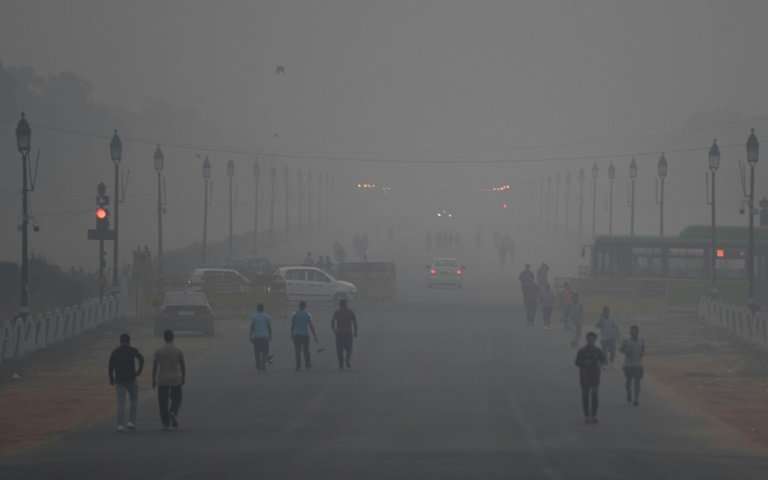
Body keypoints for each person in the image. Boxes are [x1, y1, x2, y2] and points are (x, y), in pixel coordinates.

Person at [108, 334, 145, 432]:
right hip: (131, 379)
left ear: (120, 341)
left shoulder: (115, 351)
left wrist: (111, 378)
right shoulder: (132, 350)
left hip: (119, 380)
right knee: (133, 401)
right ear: (129, 341)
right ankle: (131, 422)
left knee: (121, 403)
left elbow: (110, 366)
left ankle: (120, 425)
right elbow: (141, 359)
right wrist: (139, 371)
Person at [152, 330, 186, 431]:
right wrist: (183, 377)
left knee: (162, 402)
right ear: (173, 337)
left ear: (164, 338)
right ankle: (173, 412)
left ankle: (165, 423)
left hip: (162, 378)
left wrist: (153, 379)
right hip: (175, 378)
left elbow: (155, 366)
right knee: (177, 398)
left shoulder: (158, 351)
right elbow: (183, 365)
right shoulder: (178, 350)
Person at [574, 331, 606, 424]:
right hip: (584, 376)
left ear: (595, 340)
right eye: (589, 339)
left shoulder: (598, 351)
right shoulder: (582, 351)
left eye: (592, 339)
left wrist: (600, 364)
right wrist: (584, 363)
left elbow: (603, 360)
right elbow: (576, 362)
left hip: (595, 375)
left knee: (595, 396)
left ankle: (594, 415)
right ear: (586, 339)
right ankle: (587, 416)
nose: (590, 341)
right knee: (585, 396)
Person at [620, 325, 645, 406]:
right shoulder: (626, 340)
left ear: (638, 332)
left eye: (635, 331)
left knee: (637, 382)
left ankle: (636, 399)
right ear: (630, 332)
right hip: (628, 365)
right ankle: (629, 393)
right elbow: (621, 349)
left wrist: (642, 354)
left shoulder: (641, 340)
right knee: (628, 382)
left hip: (638, 364)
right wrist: (626, 351)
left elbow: (643, 349)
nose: (634, 332)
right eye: (632, 331)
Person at [290, 301, 318, 371]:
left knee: (297, 351)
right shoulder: (307, 314)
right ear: (305, 306)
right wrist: (315, 335)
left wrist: (291, 334)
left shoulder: (295, 314)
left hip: (296, 335)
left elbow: (292, 325)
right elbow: (311, 326)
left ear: (299, 306)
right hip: (305, 334)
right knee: (306, 350)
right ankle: (307, 364)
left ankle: (298, 365)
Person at [332, 299, 358, 370]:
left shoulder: (337, 312)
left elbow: (332, 322)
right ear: (346, 304)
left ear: (340, 305)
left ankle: (341, 364)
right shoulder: (350, 312)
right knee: (349, 349)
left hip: (339, 333)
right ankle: (347, 359)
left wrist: (334, 330)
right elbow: (355, 322)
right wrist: (355, 332)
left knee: (339, 350)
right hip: (348, 333)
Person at [249, 304, 272, 373]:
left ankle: (258, 365)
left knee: (257, 352)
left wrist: (250, 336)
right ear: (263, 309)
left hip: (257, 337)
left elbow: (252, 327)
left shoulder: (254, 317)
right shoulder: (267, 316)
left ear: (257, 309)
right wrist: (270, 335)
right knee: (265, 352)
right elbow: (269, 327)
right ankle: (263, 365)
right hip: (265, 337)